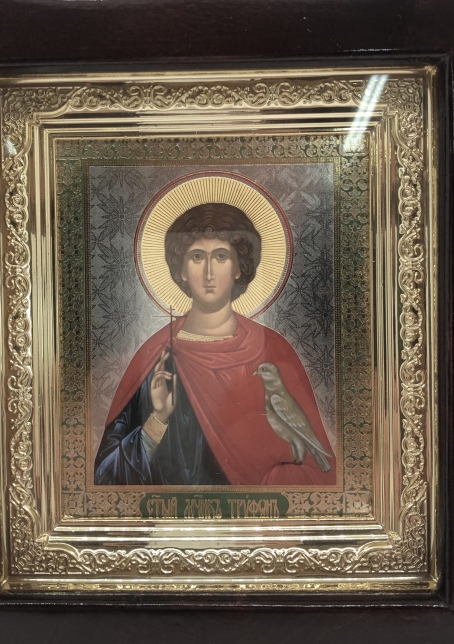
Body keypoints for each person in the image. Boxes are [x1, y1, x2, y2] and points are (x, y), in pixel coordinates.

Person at [94, 202, 336, 486]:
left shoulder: (273, 350)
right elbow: (106, 479)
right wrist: (157, 419)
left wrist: (271, 488)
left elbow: (320, 472)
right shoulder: (155, 356)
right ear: (181, 270)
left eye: (221, 256)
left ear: (239, 268)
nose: (209, 272)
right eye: (197, 257)